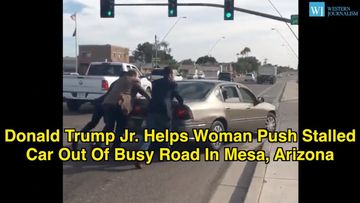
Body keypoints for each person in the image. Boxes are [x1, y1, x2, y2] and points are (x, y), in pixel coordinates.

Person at [136, 67, 183, 169]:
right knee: (166, 134)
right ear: (170, 74)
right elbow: (178, 96)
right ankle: (165, 155)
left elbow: (155, 95)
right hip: (164, 112)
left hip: (152, 110)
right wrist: (181, 103)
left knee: (148, 136)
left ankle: (140, 158)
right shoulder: (172, 84)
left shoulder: (156, 83)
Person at [101, 70, 151, 154]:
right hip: (119, 105)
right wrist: (151, 100)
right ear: (134, 75)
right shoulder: (134, 80)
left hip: (107, 104)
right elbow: (145, 93)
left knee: (109, 126)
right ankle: (115, 149)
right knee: (120, 128)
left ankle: (99, 144)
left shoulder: (119, 80)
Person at [71, 79, 117, 150]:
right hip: (107, 105)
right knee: (109, 126)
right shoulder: (124, 83)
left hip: (100, 102)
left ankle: (77, 138)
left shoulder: (115, 82)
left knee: (93, 123)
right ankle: (97, 143)